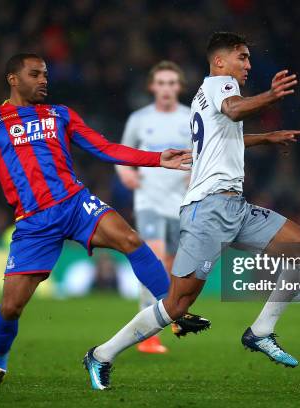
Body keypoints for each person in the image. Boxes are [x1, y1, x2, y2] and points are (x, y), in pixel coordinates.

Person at [0, 53, 210, 385]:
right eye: (35, 74)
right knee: (11, 307)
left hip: (75, 203)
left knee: (131, 240)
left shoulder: (60, 114)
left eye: (45, 74)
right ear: (13, 79)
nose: (44, 80)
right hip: (34, 223)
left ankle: (173, 312)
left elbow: (104, 148)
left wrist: (157, 159)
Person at [84, 32, 300, 390]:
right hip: (208, 209)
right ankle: (101, 354)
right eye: (242, 57)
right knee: (177, 305)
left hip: (235, 207)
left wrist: (266, 137)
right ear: (220, 61)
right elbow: (234, 109)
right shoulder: (220, 85)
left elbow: (223, 136)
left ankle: (261, 331)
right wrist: (271, 96)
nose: (248, 65)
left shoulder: (210, 94)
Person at [116, 61, 198, 354]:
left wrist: (195, 174)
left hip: (180, 202)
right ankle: (148, 336)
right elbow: (121, 153)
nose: (166, 88)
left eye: (171, 83)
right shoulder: (140, 118)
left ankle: (168, 318)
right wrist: (125, 173)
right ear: (152, 87)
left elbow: (203, 153)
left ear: (179, 87)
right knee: (154, 256)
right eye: (161, 83)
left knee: (170, 268)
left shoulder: (191, 117)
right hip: (148, 200)